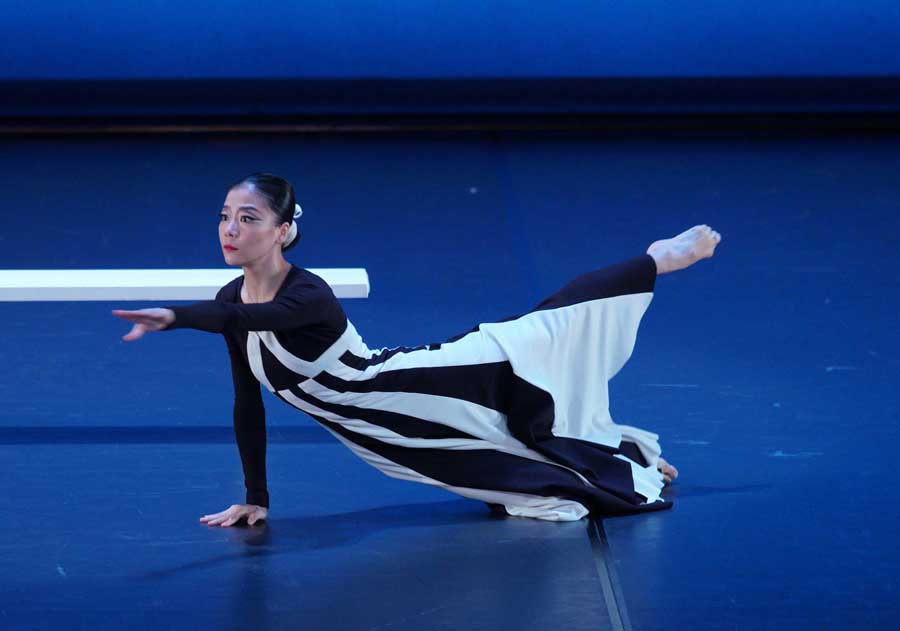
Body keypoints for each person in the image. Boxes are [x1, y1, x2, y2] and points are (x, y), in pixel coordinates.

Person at [113, 172, 721, 527]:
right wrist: (255, 497)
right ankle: (614, 448)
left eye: (247, 218)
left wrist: (173, 317)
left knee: (527, 342)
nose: (230, 229)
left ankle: (653, 262)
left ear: (283, 230)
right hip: (374, 429)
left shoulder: (309, 295)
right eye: (225, 216)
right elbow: (247, 400)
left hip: (400, 387)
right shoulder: (229, 295)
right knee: (500, 457)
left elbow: (245, 316)